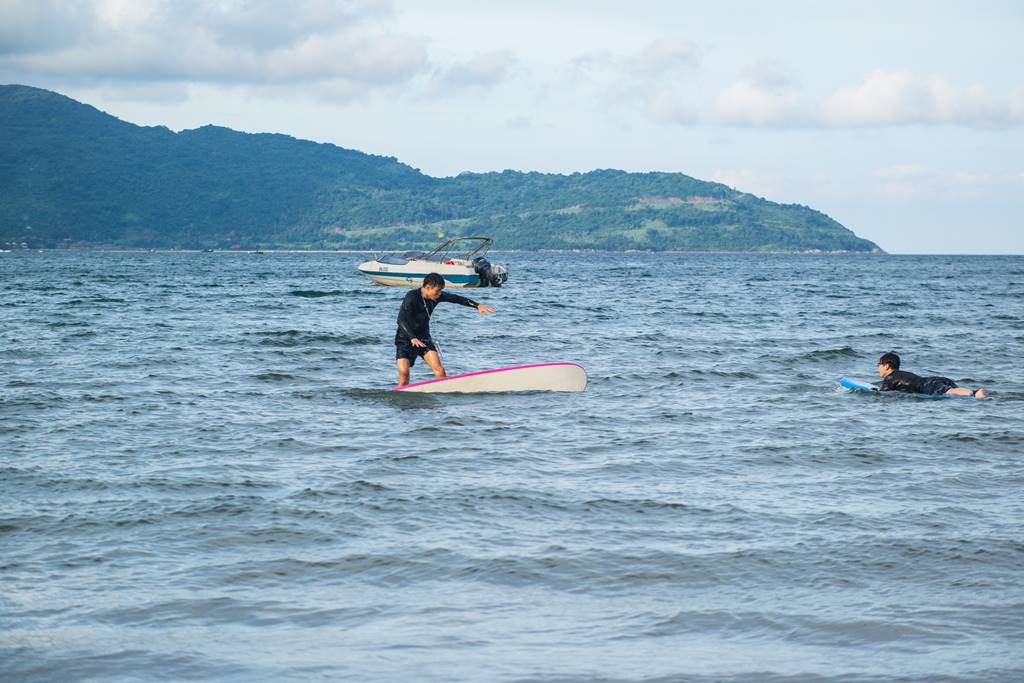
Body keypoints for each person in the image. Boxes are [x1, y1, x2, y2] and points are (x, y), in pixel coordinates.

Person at [395, 272, 496, 386]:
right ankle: (402, 398)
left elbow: (457, 299)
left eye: (441, 291)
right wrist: (412, 337)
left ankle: (444, 392)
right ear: (428, 287)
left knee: (440, 370)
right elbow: (401, 320)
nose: (439, 294)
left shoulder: (436, 297)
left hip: (424, 339)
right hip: (405, 339)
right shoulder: (412, 296)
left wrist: (477, 305)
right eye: (437, 291)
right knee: (404, 373)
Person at [876, 352, 985, 398]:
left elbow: (883, 394)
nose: (878, 367)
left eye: (879, 364)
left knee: (949, 392)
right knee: (951, 391)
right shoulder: (901, 375)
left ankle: (974, 392)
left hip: (928, 384)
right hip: (935, 380)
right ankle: (971, 393)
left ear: (886, 366)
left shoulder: (890, 377)